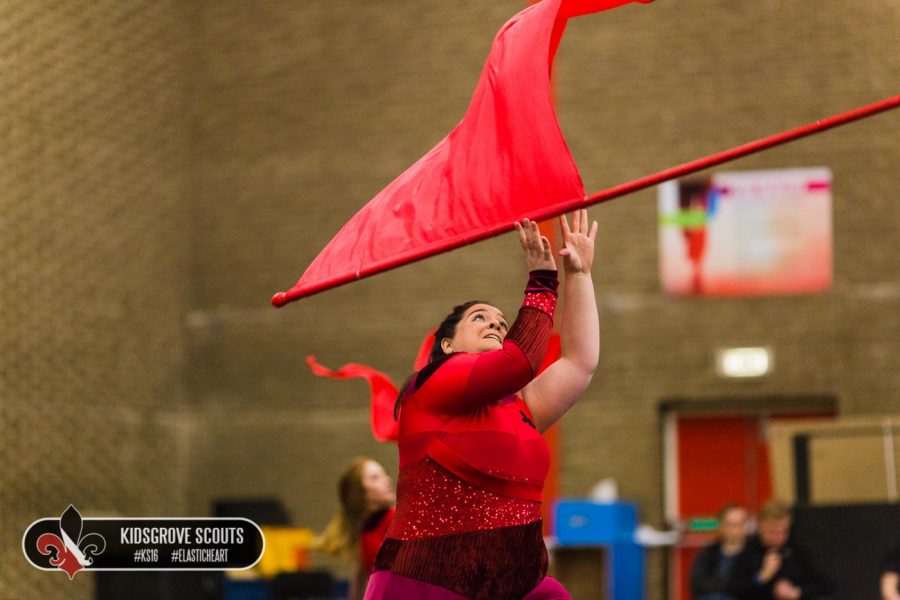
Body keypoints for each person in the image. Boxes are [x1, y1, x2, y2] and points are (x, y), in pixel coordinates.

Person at [364, 211, 599, 600]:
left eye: (503, 323)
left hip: (512, 586)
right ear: (447, 345)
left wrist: (579, 274)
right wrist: (542, 280)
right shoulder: (430, 388)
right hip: (425, 583)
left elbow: (580, 363)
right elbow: (519, 360)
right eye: (479, 318)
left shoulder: (520, 407)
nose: (495, 325)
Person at [318, 458, 396, 600]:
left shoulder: (397, 520)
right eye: (375, 478)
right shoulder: (364, 530)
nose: (387, 480)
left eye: (384, 475)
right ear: (361, 493)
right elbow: (359, 577)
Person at [728, 500, 830, 600]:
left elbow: (825, 584)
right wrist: (762, 577)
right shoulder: (748, 551)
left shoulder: (796, 549)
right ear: (760, 527)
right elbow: (735, 590)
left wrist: (797, 592)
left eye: (784, 531)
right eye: (772, 532)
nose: (779, 538)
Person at [690, 503, 750, 600]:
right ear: (722, 526)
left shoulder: (753, 553)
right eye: (732, 525)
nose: (737, 530)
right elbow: (697, 583)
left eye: (741, 524)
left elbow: (749, 588)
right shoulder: (709, 553)